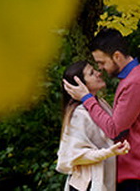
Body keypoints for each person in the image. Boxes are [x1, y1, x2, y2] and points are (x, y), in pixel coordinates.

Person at [63, 28, 140, 191]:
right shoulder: (130, 80)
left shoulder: (135, 83)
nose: (101, 69)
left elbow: (113, 129)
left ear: (117, 56)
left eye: (102, 63)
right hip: (137, 175)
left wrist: (87, 98)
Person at [57, 59, 131, 191]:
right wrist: (108, 152)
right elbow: (75, 156)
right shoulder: (78, 114)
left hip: (105, 181)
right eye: (91, 73)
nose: (98, 73)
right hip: (87, 185)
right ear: (80, 84)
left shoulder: (100, 104)